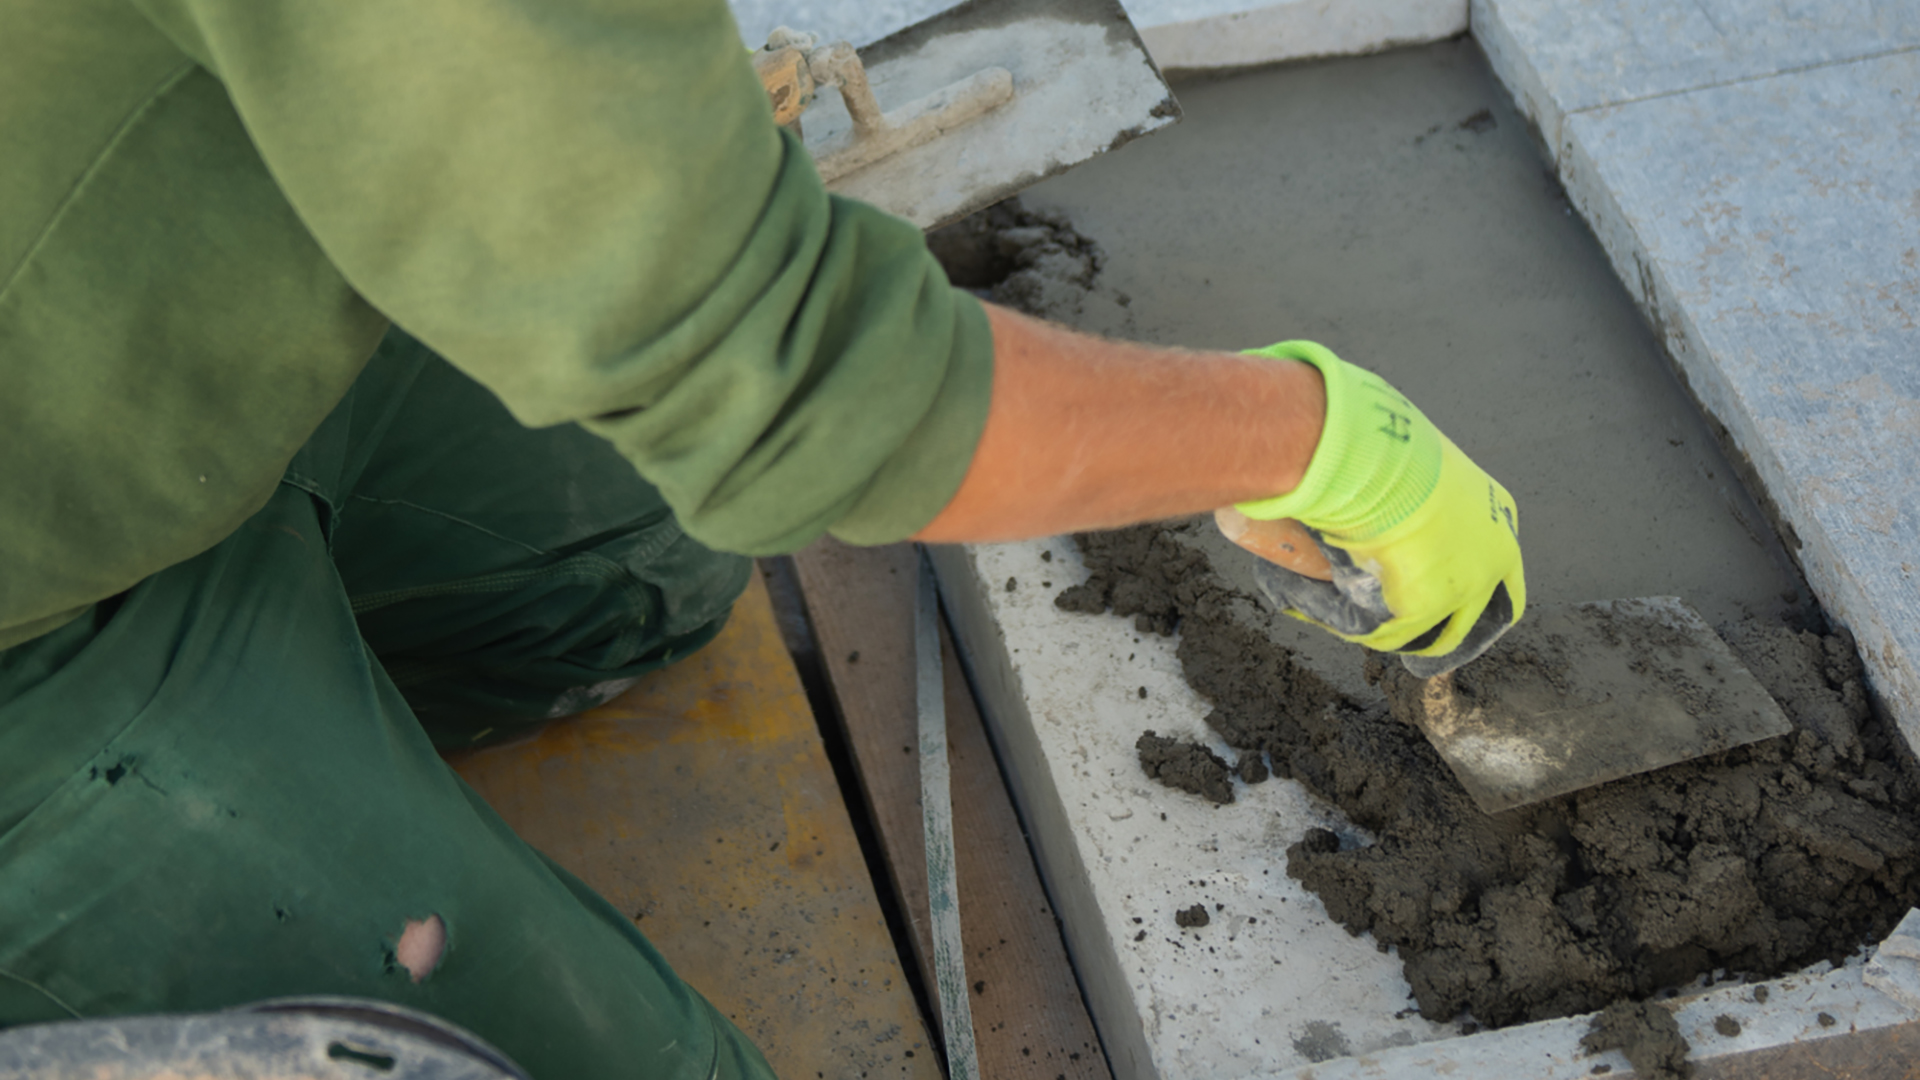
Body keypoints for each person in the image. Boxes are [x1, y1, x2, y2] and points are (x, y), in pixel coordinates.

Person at [0, 0, 1524, 1076]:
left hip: (103, 341)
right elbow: (805, 401)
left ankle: (273, 689)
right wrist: (1314, 439)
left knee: (623, 570)